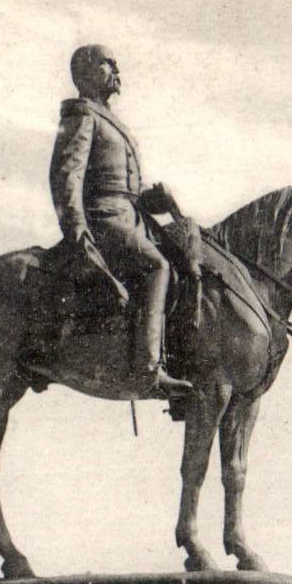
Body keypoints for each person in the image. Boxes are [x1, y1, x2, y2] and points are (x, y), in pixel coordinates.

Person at [49, 45, 193, 400]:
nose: (116, 68)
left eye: (115, 63)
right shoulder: (83, 115)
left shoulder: (112, 122)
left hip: (131, 217)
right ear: (84, 72)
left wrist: (154, 200)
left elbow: (126, 189)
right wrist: (77, 228)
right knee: (156, 266)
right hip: (105, 219)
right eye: (106, 63)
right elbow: (67, 177)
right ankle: (149, 371)